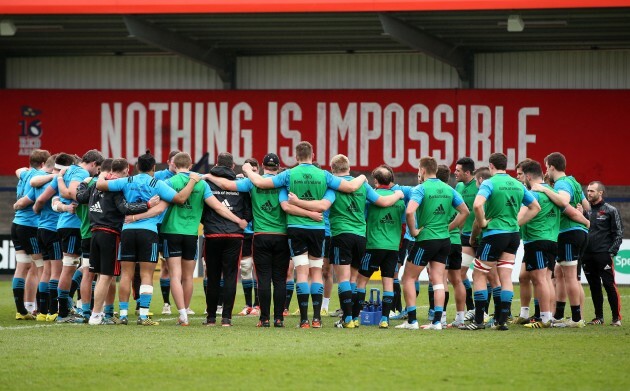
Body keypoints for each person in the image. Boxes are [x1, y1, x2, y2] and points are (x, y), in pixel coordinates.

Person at [241, 141, 367, 329]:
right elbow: (350, 188)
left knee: (301, 271)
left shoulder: (288, 175)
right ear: (313, 155)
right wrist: (363, 176)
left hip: (295, 228)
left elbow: (260, 182)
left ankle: (304, 320)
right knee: (316, 271)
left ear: (296, 156)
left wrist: (247, 170)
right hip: (318, 229)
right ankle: (317, 319)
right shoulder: (324, 175)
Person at [288, 154, 403, 328]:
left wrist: (297, 202)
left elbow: (322, 206)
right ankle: (354, 317)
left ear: (333, 170)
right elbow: (383, 201)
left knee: (342, 279)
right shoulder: (363, 186)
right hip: (360, 237)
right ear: (348, 167)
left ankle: (347, 318)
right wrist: (399, 194)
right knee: (355, 280)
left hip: (341, 235)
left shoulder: (333, 187)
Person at [133, 152, 247, 326]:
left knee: (175, 276)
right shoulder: (201, 183)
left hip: (171, 232)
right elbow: (217, 207)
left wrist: (135, 218)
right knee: (188, 277)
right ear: (191, 164)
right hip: (192, 234)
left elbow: (157, 207)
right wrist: (237, 220)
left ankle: (183, 315)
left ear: (173, 165)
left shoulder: (169, 182)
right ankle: (191, 310)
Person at [207, 153, 320, 327]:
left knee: (263, 279)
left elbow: (226, 184)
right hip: (282, 236)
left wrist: (207, 175)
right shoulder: (283, 182)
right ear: (279, 166)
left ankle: (264, 318)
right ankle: (279, 319)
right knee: (280, 279)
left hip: (260, 236)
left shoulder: (252, 182)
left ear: (262, 165)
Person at [96, 150, 197, 326]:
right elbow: (180, 199)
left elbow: (101, 185)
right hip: (149, 232)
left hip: (127, 230)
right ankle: (143, 316)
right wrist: (193, 181)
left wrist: (103, 173)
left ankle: (124, 315)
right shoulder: (158, 184)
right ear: (153, 167)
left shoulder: (127, 181)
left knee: (126, 275)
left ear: (136, 167)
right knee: (146, 275)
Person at [461, 153, 540, 331]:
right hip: (513, 235)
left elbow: (477, 205)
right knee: (505, 277)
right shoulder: (517, 184)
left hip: (494, 234)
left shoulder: (489, 183)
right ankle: (501, 320)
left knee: (479, 275)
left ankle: (479, 321)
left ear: (491, 166)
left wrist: (481, 223)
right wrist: (516, 223)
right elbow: (535, 207)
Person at [76, 158, 155, 325]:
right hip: (110, 233)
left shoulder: (95, 185)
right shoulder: (116, 186)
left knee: (100, 276)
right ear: (126, 170)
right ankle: (97, 315)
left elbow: (79, 197)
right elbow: (124, 208)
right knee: (106, 276)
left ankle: (100, 313)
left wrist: (83, 182)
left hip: (94, 233)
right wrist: (146, 204)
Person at [396, 156, 469, 330]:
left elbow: (410, 211)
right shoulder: (448, 189)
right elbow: (464, 211)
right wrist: (449, 227)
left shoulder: (421, 189)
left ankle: (412, 321)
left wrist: (413, 231)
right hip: (444, 240)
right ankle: (437, 322)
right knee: (438, 280)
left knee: (408, 277)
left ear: (422, 170)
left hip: (426, 240)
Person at [34, 149, 103, 323]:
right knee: (71, 267)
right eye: (98, 168)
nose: (98, 173)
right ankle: (63, 312)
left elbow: (52, 198)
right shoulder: (80, 172)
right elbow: (72, 194)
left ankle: (66, 307)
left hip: (66, 224)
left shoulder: (66, 172)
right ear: (93, 164)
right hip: (73, 225)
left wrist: (60, 201)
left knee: (81, 266)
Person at [519, 160, 590, 329]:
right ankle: (550, 316)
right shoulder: (554, 193)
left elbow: (521, 215)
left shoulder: (535, 193)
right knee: (549, 278)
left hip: (537, 240)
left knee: (541, 279)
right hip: (553, 240)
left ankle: (546, 318)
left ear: (528, 176)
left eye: (521, 175)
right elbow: (571, 210)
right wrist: (586, 222)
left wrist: (511, 228)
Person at [202, 152, 252, 327]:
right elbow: (248, 211)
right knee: (231, 276)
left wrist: (209, 222)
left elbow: (202, 210)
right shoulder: (240, 184)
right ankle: (226, 319)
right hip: (234, 236)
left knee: (213, 276)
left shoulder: (206, 183)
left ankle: (210, 319)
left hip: (212, 235)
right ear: (232, 166)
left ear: (216, 164)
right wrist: (241, 221)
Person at [356, 165, 407, 328]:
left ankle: (355, 317)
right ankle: (385, 319)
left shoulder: (371, 198)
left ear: (376, 181)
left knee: (361, 281)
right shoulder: (400, 201)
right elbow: (404, 223)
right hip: (392, 247)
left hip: (373, 245)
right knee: (388, 282)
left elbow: (362, 219)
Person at [11, 149, 51, 320]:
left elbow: (18, 170)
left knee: (22, 267)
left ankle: (22, 310)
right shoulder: (37, 178)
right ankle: (42, 308)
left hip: (16, 224)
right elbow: (31, 200)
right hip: (30, 225)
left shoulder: (25, 174)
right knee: (39, 266)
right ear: (43, 164)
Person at [583, 181, 623, 326]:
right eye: (588, 190)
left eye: (592, 191)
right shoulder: (584, 211)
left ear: (600, 193)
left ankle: (616, 318)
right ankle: (598, 317)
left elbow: (618, 233)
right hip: (586, 255)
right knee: (594, 286)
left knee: (609, 285)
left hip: (603, 254)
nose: (589, 193)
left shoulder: (610, 210)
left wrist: (611, 252)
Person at [437, 164, 466, 327]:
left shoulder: (435, 193)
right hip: (456, 241)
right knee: (457, 280)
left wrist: (446, 228)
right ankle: (460, 318)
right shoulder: (454, 193)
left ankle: (441, 317)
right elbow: (465, 212)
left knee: (441, 280)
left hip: (443, 241)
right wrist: (455, 228)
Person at [155, 149, 181, 316]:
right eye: (174, 162)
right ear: (169, 161)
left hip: (176, 226)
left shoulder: (187, 177)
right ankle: (166, 303)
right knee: (164, 265)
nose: (176, 165)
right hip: (158, 224)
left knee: (173, 266)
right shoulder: (158, 176)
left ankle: (180, 304)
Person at [454, 157, 478, 319]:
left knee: (490, 275)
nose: (455, 173)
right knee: (461, 273)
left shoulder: (478, 187)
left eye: (458, 171)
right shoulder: (458, 186)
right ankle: (472, 308)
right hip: (466, 236)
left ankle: (500, 312)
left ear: (467, 172)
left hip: (482, 236)